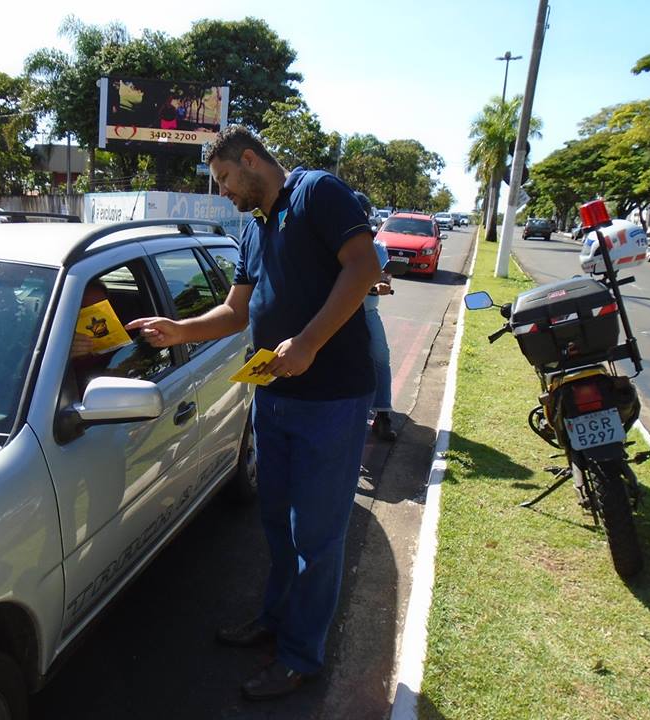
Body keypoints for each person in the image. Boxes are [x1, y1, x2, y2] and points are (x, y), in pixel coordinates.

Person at [125, 125, 381, 701]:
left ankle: (299, 656)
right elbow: (235, 311)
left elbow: (363, 269)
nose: (223, 193)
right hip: (274, 397)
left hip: (332, 402)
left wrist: (311, 341)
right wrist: (178, 331)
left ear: (249, 160)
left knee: (317, 535)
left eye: (223, 179)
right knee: (277, 522)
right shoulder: (253, 228)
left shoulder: (317, 193)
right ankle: (276, 618)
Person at [353, 191, 397, 442]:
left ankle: (382, 413)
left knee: (381, 355)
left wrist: (383, 285)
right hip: (336, 312)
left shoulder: (377, 249)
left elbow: (386, 279)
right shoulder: (328, 245)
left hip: (365, 312)